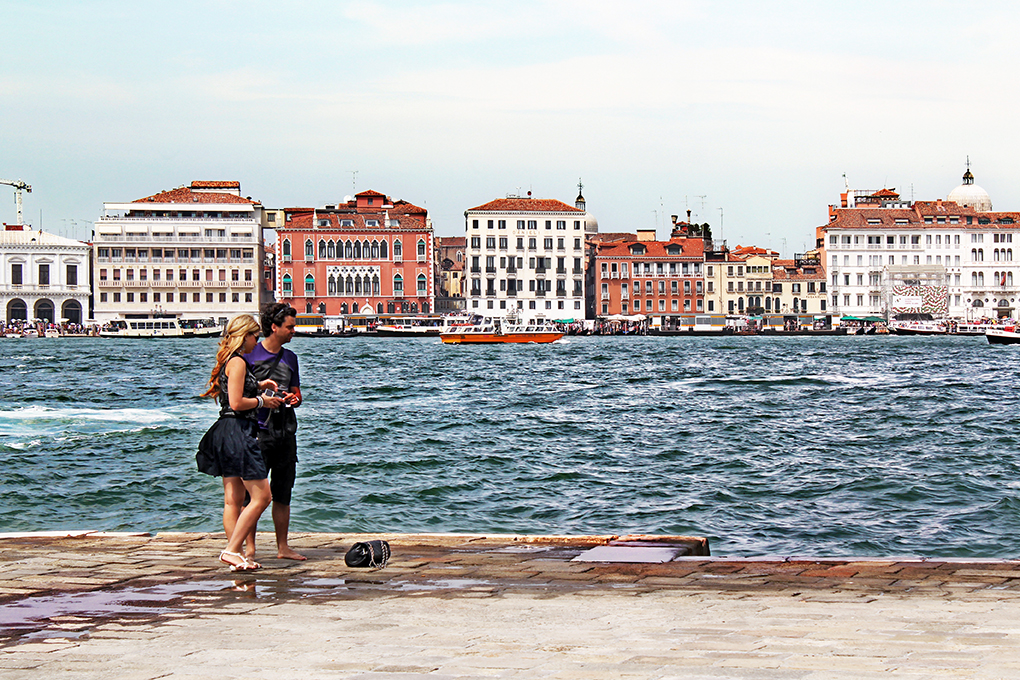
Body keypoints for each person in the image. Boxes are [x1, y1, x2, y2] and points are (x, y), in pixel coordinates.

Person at [197, 314, 285, 571]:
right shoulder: (237, 362)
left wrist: (258, 386)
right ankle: (232, 549)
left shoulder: (231, 361)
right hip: (238, 430)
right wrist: (263, 401)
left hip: (225, 430)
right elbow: (236, 403)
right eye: (254, 336)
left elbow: (232, 390)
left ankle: (235, 555)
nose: (257, 341)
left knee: (233, 499)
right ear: (243, 335)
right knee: (262, 496)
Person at [243, 303, 306, 561]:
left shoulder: (291, 358)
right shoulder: (250, 355)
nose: (294, 331)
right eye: (290, 327)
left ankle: (283, 547)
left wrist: (294, 398)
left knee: (283, 491)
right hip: (258, 431)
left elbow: (298, 393)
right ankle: (249, 549)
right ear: (274, 327)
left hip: (285, 431)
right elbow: (240, 392)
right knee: (253, 496)